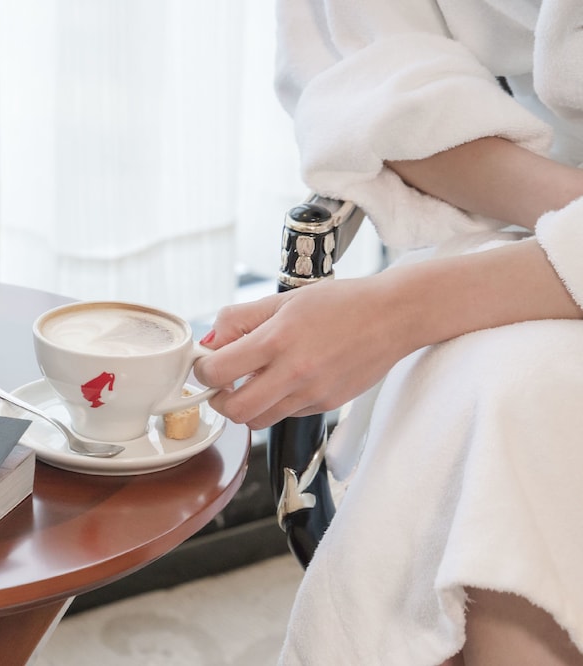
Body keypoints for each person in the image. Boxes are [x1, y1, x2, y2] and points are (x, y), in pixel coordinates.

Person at [192, 2, 583, 665]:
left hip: (537, 246)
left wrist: (398, 311)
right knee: (508, 395)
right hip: (537, 215)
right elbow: (372, 71)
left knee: (508, 406)